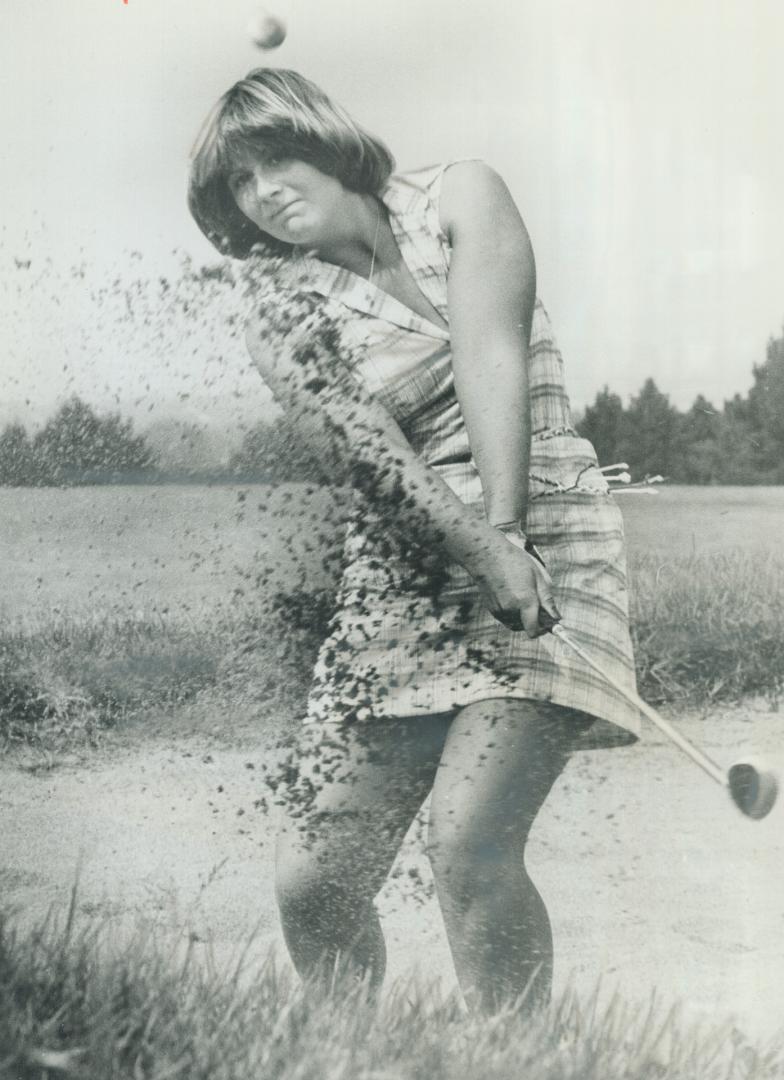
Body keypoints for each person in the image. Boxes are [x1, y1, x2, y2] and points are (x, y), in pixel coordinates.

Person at [188, 68, 640, 1014]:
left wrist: (507, 535)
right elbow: (376, 460)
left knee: (469, 843)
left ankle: (520, 1068)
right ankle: (355, 1057)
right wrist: (476, 548)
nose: (264, 192)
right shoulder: (280, 311)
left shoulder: (459, 195)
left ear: (324, 138)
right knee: (313, 878)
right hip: (401, 563)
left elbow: (491, 355)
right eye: (239, 183)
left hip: (546, 525)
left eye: (276, 160)